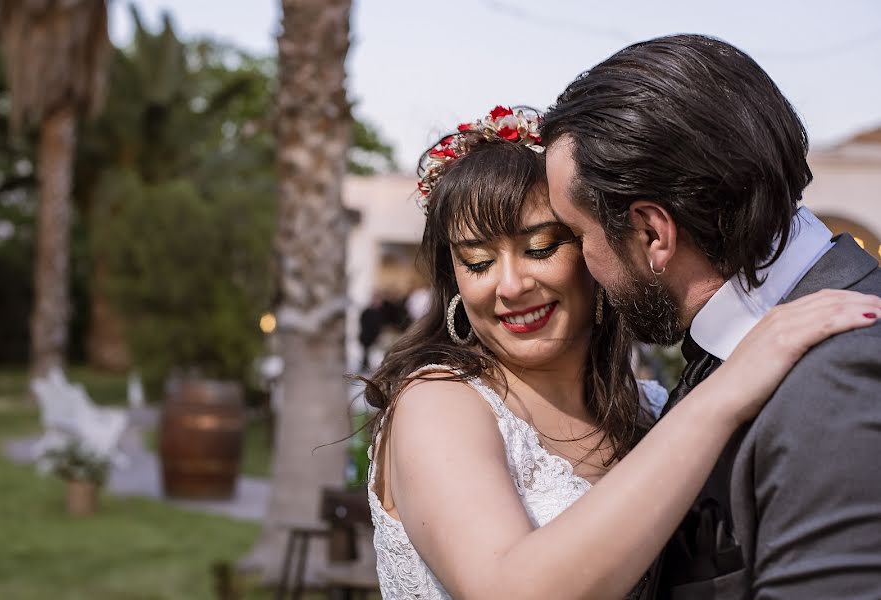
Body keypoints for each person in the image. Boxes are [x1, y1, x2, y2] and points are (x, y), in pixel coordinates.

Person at [363, 105, 881, 599]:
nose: (511, 285)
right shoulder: (438, 402)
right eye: (477, 261)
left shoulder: (652, 409)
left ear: (599, 247)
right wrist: (725, 392)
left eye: (541, 248)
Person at [542, 34, 881, 599]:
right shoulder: (738, 345)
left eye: (578, 234)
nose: (580, 264)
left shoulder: (838, 379)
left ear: (653, 233)